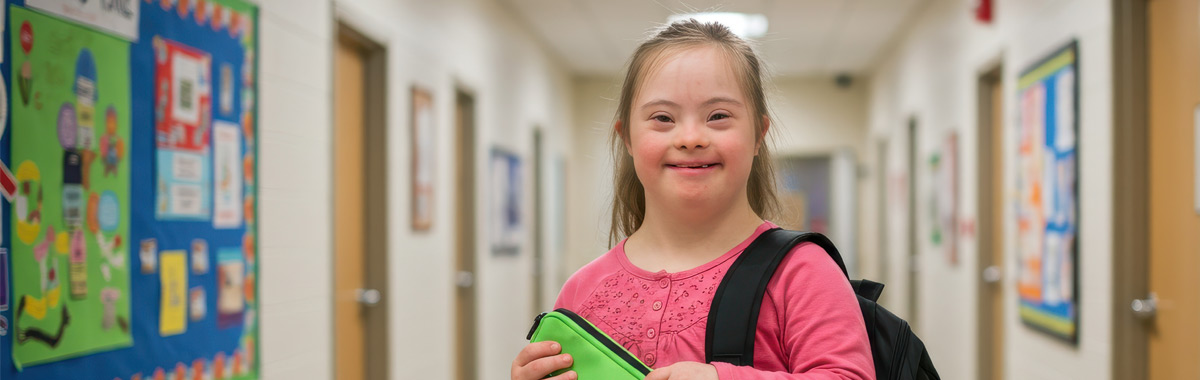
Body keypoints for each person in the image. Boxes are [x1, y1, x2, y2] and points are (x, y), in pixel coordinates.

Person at [511, 19, 874, 380]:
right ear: (628, 139)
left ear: (758, 135)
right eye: (663, 118)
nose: (690, 137)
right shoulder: (582, 290)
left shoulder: (802, 272)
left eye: (718, 116)